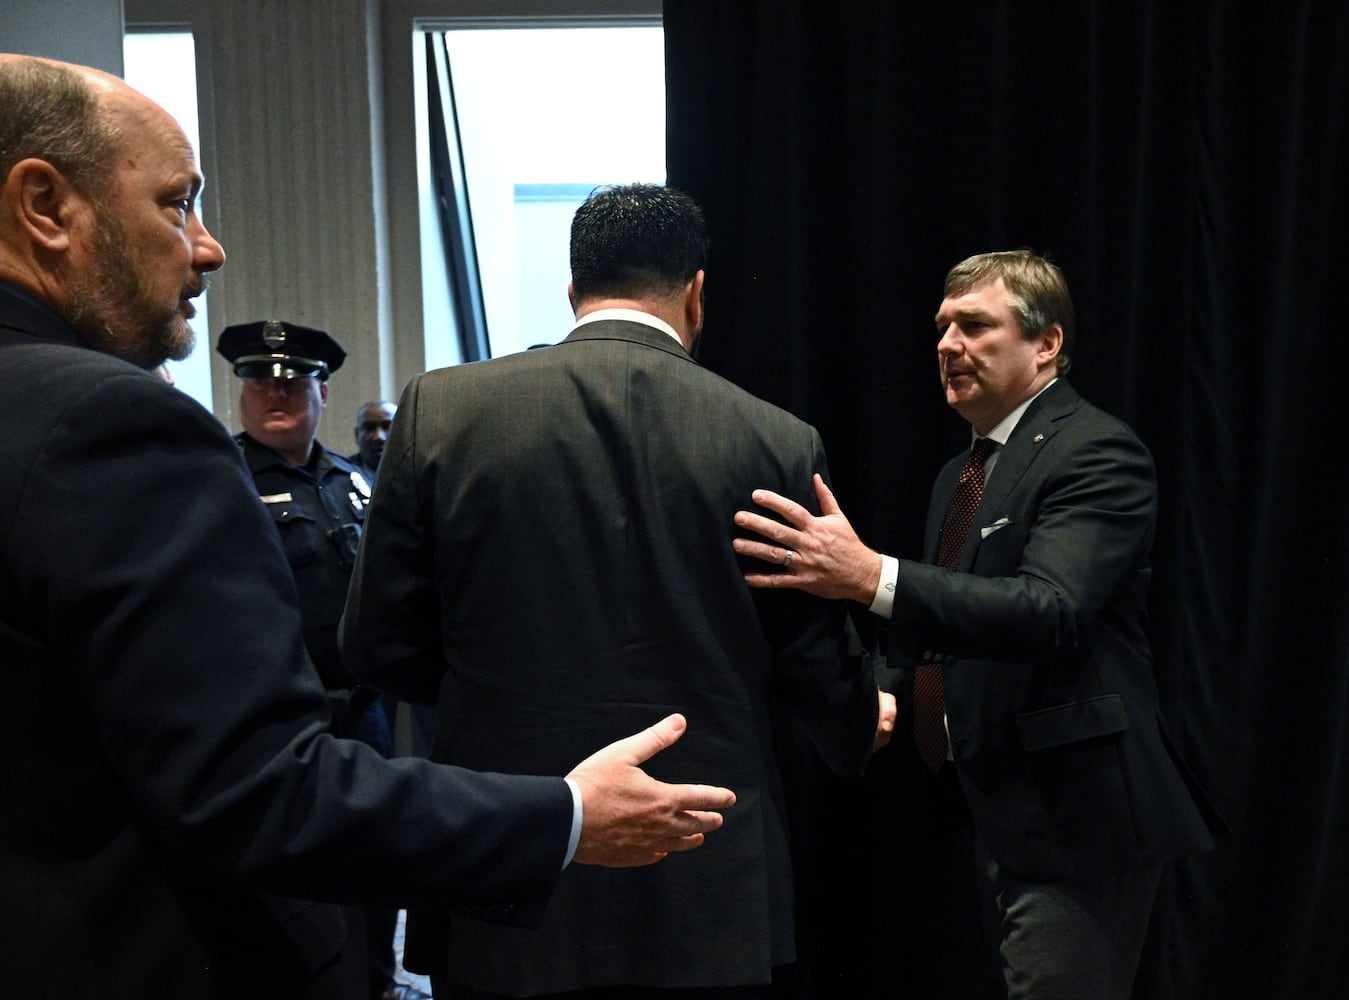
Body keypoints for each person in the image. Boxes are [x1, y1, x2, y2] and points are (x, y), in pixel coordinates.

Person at [0, 53, 734, 999]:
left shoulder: (353, 466)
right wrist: (561, 815)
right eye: (178, 203)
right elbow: (255, 790)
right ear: (46, 207)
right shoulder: (108, 422)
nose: (208, 246)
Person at [340, 183, 894, 998]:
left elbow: (377, 644)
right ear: (696, 294)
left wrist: (495, 704)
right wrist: (859, 722)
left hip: (507, 852)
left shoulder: (441, 411)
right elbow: (807, 655)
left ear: (573, 290)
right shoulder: (775, 438)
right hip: (704, 866)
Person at [732, 250, 1224, 999]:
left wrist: (870, 576)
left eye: (973, 326)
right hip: (984, 809)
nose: (945, 345)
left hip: (1074, 819)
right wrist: (885, 690)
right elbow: (943, 627)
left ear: (1046, 344)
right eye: (940, 328)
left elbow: (1050, 610)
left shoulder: (1096, 452)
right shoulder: (960, 473)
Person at [216, 321, 422, 1000]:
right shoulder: (220, 480)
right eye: (258, 381)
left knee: (380, 859)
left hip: (363, 713)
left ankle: (380, 983)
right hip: (278, 723)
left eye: (292, 381)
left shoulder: (354, 481)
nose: (274, 393)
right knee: (296, 880)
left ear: (322, 391)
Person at [351, 398, 397, 485]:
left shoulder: (420, 474)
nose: (379, 437)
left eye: (388, 427)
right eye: (369, 428)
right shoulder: (342, 477)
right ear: (357, 435)